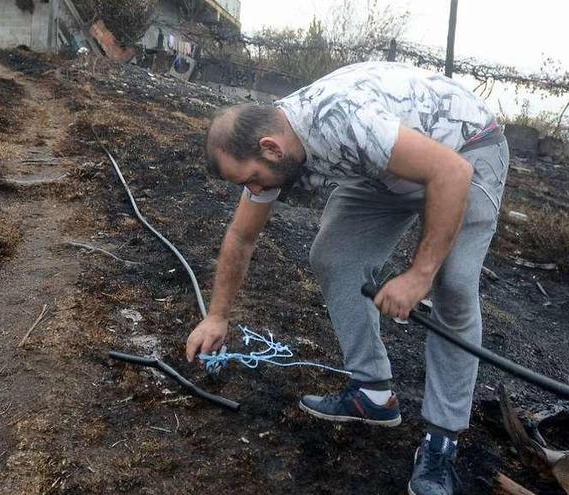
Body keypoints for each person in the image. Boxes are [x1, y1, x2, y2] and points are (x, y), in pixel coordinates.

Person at [185, 61, 508, 495]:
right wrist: (217, 317)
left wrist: (419, 275)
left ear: (270, 148)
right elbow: (241, 237)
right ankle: (373, 394)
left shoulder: (343, 121)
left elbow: (449, 172)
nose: (256, 191)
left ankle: (441, 441)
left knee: (452, 285)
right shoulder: (278, 143)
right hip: (386, 167)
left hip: (465, 150)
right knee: (336, 255)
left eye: (253, 181)